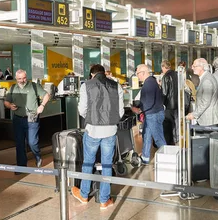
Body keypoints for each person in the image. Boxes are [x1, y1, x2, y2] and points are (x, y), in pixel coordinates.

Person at [71, 64, 123, 209]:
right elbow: (120, 111)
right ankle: (104, 200)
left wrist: (90, 119)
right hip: (110, 131)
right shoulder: (116, 85)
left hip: (93, 129)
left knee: (88, 162)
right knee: (107, 164)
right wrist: (111, 121)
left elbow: (82, 109)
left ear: (92, 74)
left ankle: (84, 194)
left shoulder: (86, 86)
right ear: (104, 73)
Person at [4, 69, 51, 168]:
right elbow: (6, 101)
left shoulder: (34, 86)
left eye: (24, 78)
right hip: (18, 119)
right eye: (19, 78)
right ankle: (21, 166)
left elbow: (46, 95)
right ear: (16, 79)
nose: (22, 80)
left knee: (32, 142)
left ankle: (38, 156)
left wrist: (42, 105)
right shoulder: (13, 88)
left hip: (32, 118)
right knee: (19, 143)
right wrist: (10, 106)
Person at [135, 64, 166, 164]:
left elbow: (148, 102)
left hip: (153, 115)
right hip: (153, 113)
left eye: (138, 73)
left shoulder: (148, 84)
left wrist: (139, 109)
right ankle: (145, 157)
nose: (137, 76)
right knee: (147, 135)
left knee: (158, 139)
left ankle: (168, 160)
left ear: (143, 73)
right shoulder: (152, 81)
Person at [187, 58, 218, 127]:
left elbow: (205, 102)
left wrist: (194, 114)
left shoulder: (207, 80)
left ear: (201, 67)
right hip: (207, 119)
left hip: (209, 121)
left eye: (194, 66)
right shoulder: (206, 78)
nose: (192, 68)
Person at [160, 60, 178, 145]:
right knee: (175, 123)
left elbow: (164, 92)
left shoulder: (166, 77)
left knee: (168, 125)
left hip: (168, 105)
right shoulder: (176, 74)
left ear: (164, 67)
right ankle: (176, 139)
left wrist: (161, 104)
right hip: (177, 103)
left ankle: (170, 142)